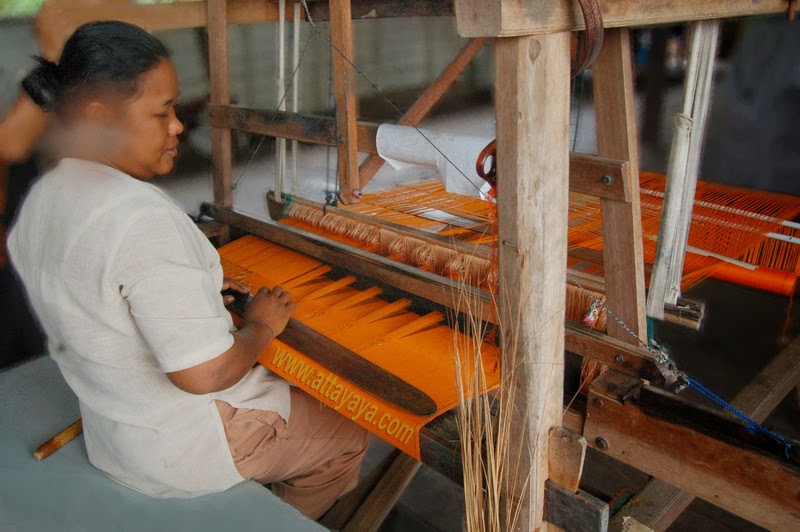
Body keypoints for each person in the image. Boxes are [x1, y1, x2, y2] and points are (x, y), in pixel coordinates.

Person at [8, 20, 368, 520]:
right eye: (162, 112)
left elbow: (95, 287)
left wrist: (191, 288)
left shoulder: (46, 198)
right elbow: (207, 374)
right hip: (181, 448)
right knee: (347, 435)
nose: (178, 125)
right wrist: (264, 325)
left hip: (116, 432)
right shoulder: (139, 217)